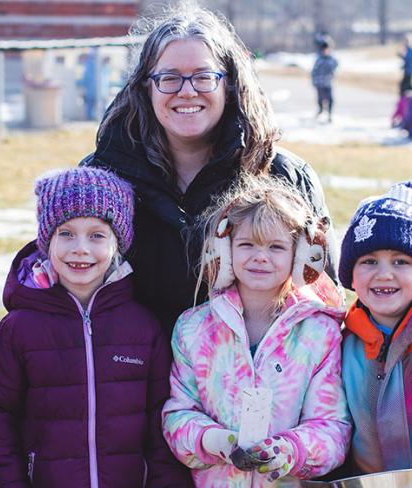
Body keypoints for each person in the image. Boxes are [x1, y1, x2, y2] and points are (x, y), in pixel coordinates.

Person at [82, 4, 339, 335]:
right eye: (169, 77)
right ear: (147, 85)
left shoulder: (284, 176)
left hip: (253, 379)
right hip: (132, 378)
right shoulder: (102, 176)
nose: (187, 90)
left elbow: (323, 295)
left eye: (204, 76)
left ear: (229, 84)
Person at [0, 167, 192, 487]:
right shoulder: (19, 329)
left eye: (97, 235)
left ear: (117, 244)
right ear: (46, 241)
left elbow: (162, 423)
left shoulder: (142, 328)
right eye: (66, 233)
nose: (80, 248)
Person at [161, 175, 351, 487]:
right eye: (247, 244)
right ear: (223, 251)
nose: (260, 256)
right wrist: (213, 440)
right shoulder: (192, 330)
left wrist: (291, 450)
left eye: (276, 247)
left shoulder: (319, 334)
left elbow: (332, 427)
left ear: (301, 256)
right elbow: (177, 417)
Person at [339, 180, 412, 475]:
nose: (384, 274)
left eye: (400, 261)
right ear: (351, 278)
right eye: (369, 261)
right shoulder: (339, 344)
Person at [311, 40, 338, 122]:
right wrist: (314, 81)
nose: (325, 51)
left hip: (328, 83)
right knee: (320, 99)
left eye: (327, 50)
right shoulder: (319, 60)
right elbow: (314, 72)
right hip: (320, 83)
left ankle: (329, 114)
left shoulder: (331, 59)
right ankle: (321, 110)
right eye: (324, 50)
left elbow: (335, 65)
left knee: (330, 99)